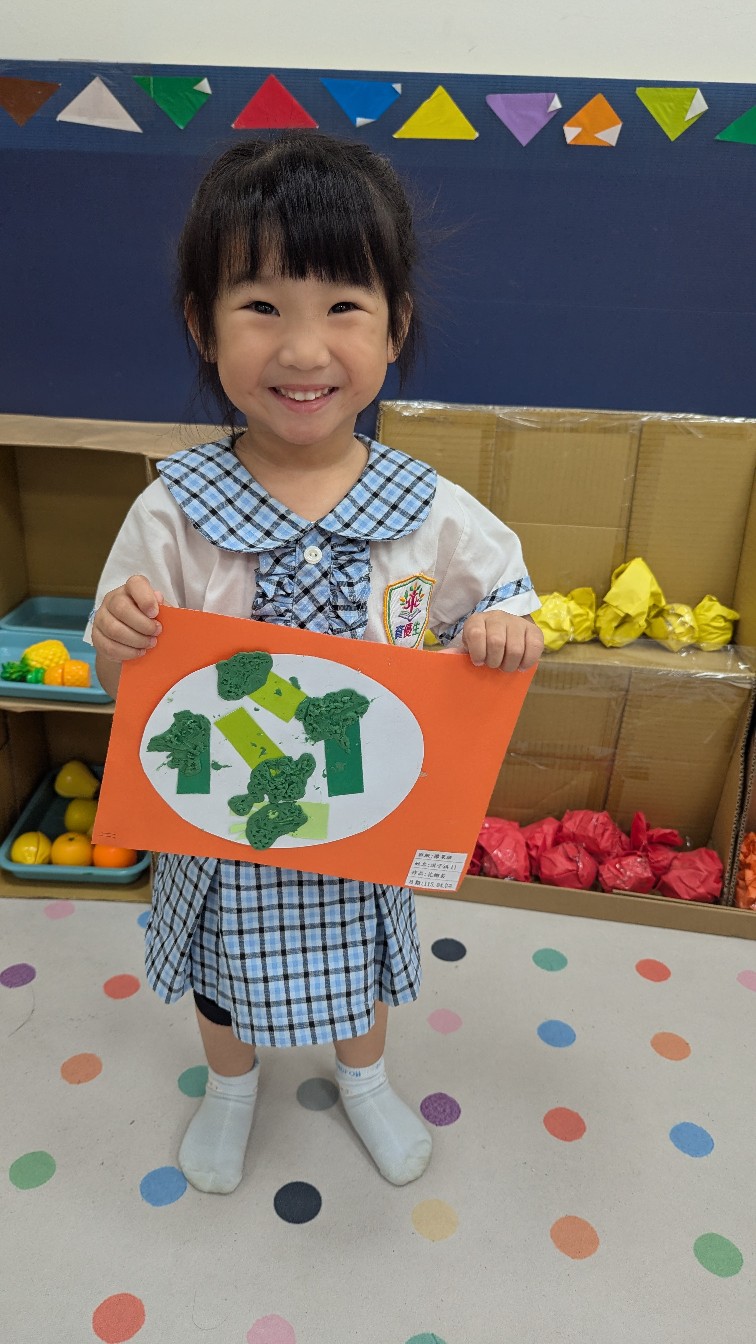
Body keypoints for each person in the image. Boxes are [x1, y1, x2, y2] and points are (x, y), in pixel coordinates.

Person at [88, 131, 543, 1197]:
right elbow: (125, 682)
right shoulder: (174, 510)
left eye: (343, 306)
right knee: (219, 969)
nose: (302, 350)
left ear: (396, 326)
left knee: (363, 958)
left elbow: (513, 597)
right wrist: (118, 641)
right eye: (261, 306)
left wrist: (503, 629)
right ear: (203, 325)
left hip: (367, 814)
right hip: (221, 824)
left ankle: (365, 1078)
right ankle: (231, 1086)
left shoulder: (430, 510)